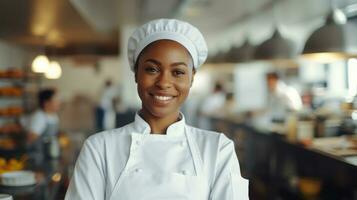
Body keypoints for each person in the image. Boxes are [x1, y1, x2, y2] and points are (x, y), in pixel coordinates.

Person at [65, 19, 249, 200]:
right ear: (136, 73)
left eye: (178, 72)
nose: (163, 83)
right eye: (152, 69)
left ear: (192, 78)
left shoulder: (217, 149)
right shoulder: (99, 148)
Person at [26, 88, 61, 161]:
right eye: (56, 100)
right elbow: (30, 139)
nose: (59, 103)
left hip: (49, 155)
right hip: (38, 158)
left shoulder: (54, 116)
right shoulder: (39, 117)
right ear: (46, 103)